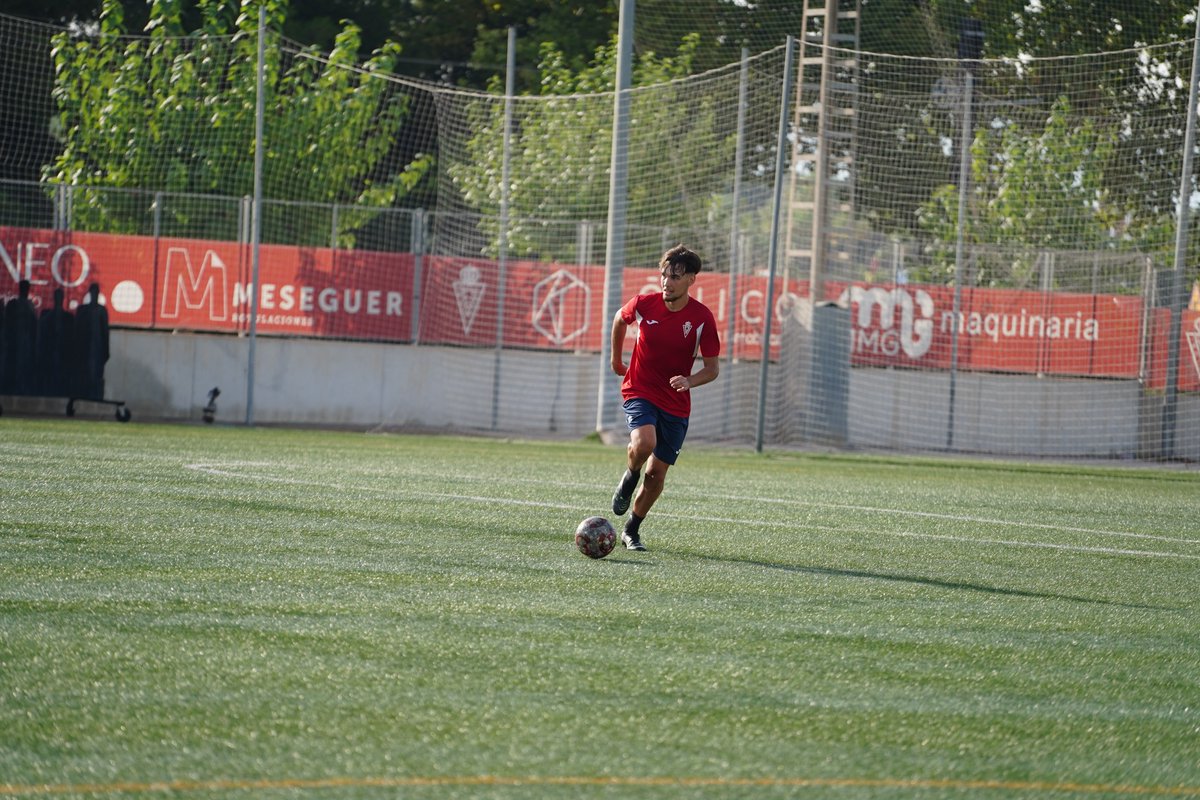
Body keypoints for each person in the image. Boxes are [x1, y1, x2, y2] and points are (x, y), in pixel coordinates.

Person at [609, 244, 721, 551]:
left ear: (691, 280)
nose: (666, 282)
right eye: (664, 275)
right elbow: (620, 319)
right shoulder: (644, 304)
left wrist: (689, 380)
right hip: (640, 389)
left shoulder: (701, 318)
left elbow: (712, 369)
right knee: (644, 443)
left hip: (675, 402)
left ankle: (631, 529)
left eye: (675, 276)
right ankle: (629, 477)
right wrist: (616, 361)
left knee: (657, 474)